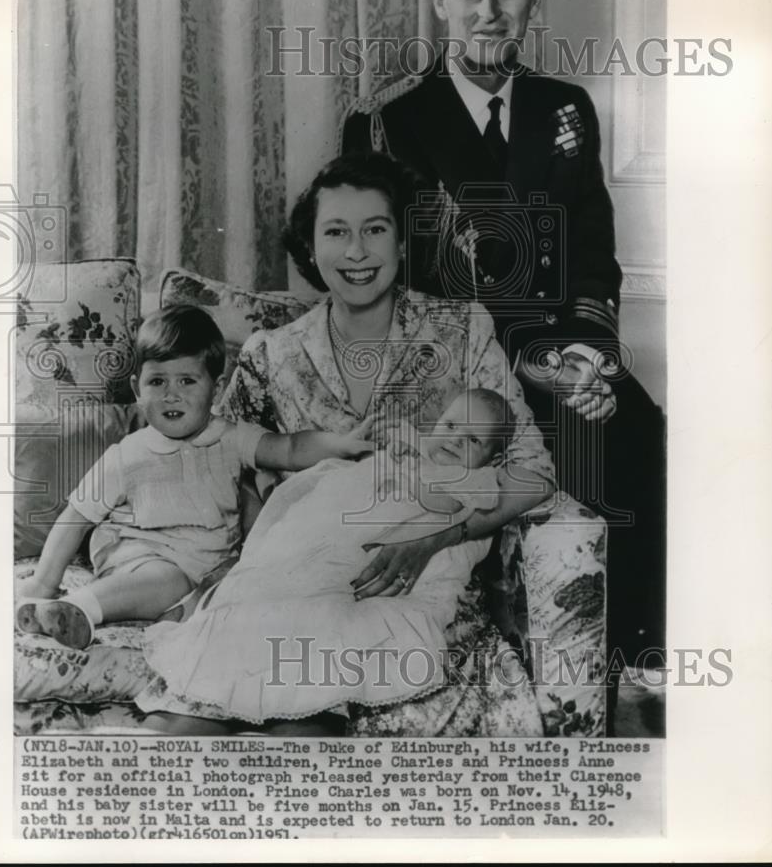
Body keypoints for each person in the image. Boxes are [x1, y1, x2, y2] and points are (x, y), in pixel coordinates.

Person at [135, 152, 607, 736]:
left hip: (406, 610)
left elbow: (534, 473)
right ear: (310, 248)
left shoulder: (463, 330)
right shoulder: (272, 352)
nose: (356, 252)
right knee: (176, 736)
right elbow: (220, 468)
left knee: (298, 739)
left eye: (375, 230)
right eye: (336, 232)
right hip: (287, 594)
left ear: (402, 242)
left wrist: (440, 537)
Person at [341, 0, 666, 675]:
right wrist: (526, 364)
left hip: (560, 347)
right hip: (454, 366)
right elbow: (395, 283)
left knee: (634, 427)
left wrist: (586, 352)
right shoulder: (389, 120)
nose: (488, 11)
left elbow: (590, 249)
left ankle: (633, 658)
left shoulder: (565, 108)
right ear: (438, 0)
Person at [137, 388, 515, 726]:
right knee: (282, 573)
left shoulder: (474, 484)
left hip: (360, 579)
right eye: (450, 427)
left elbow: (439, 499)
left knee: (318, 630)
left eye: (472, 440)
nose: (453, 441)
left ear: (492, 460)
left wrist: (409, 464)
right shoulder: (408, 456)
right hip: (327, 544)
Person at [15, 305, 375, 649]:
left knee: (255, 590)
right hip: (139, 552)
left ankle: (167, 614)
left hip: (210, 564)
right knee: (167, 580)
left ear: (216, 390)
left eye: (187, 380)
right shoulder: (127, 456)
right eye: (158, 381)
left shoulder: (233, 437)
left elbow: (290, 449)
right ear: (138, 391)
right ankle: (78, 608)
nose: (172, 394)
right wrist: (45, 583)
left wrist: (340, 444)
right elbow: (76, 518)